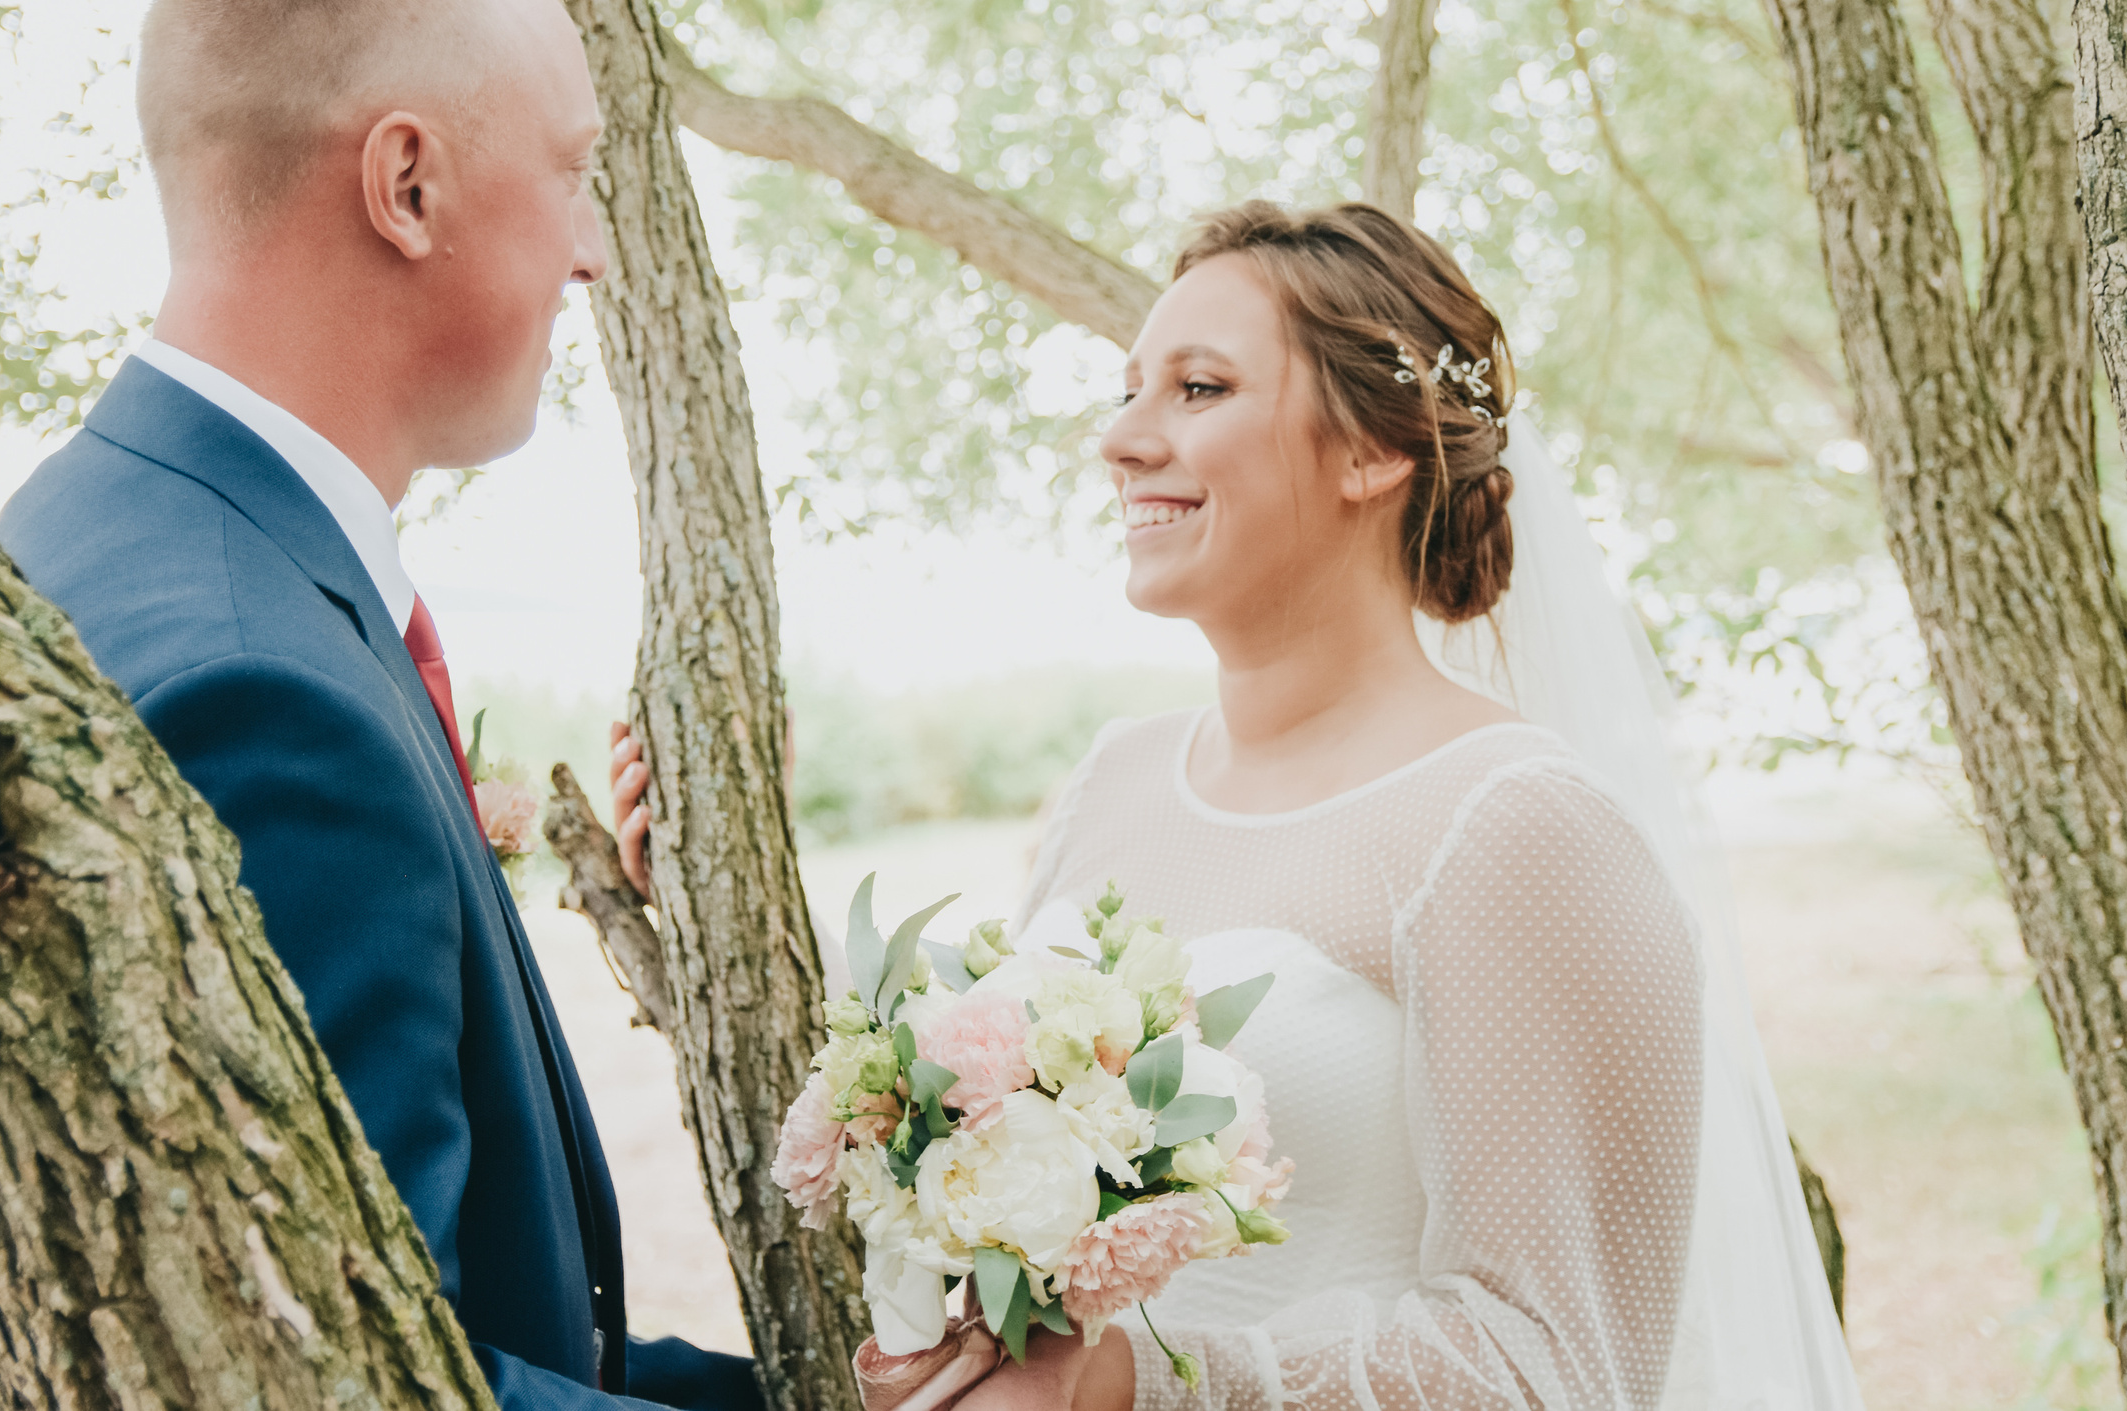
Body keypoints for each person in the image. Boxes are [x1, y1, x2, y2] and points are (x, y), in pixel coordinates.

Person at [0, 0, 760, 1411]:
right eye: (575, 170)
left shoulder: (98, 534)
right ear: (408, 185)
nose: (595, 252)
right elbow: (347, 1386)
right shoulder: (250, 685)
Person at [747, 201, 1861, 1411]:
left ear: (1372, 453)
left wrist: (1145, 1391)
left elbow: (1558, 1362)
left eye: (1199, 388)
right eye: (1130, 390)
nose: (1119, 439)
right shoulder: (1114, 780)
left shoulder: (1516, 825)